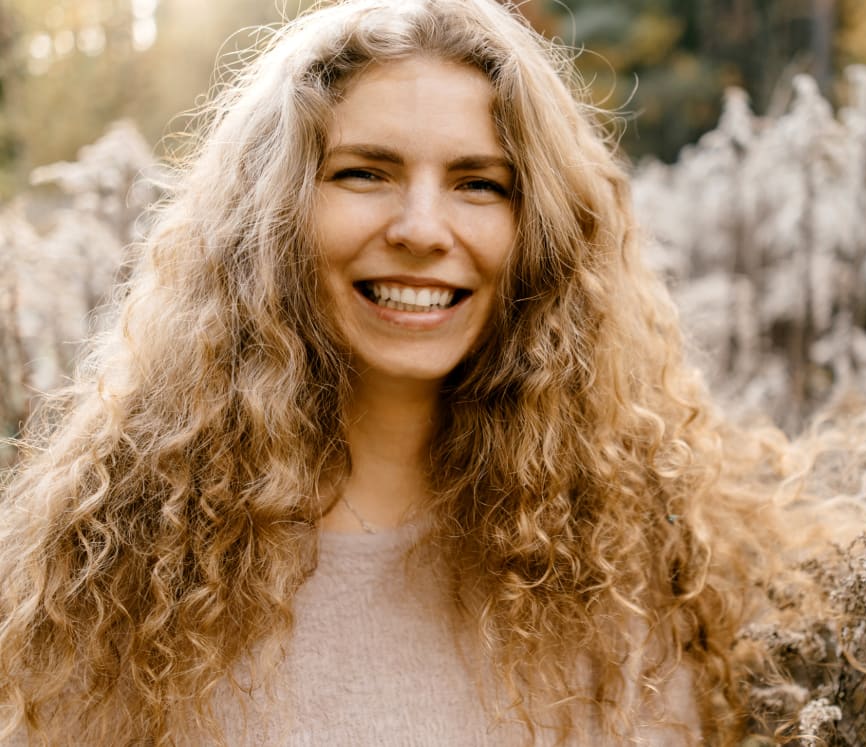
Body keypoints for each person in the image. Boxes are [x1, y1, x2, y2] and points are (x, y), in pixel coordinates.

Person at [0, 0, 817, 743]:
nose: (423, 229)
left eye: (479, 184)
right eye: (365, 172)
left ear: (542, 233)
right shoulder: (113, 572)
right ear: (272, 214)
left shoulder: (631, 562)